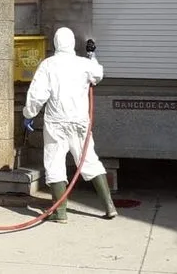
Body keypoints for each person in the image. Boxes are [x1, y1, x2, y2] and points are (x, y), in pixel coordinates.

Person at [21, 27, 117, 223]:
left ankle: (60, 212)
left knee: (55, 162)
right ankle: (109, 207)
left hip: (56, 123)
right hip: (80, 122)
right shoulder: (83, 64)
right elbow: (98, 74)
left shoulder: (48, 65)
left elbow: (37, 95)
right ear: (73, 43)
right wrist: (92, 56)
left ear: (55, 43)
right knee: (89, 160)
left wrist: (29, 115)